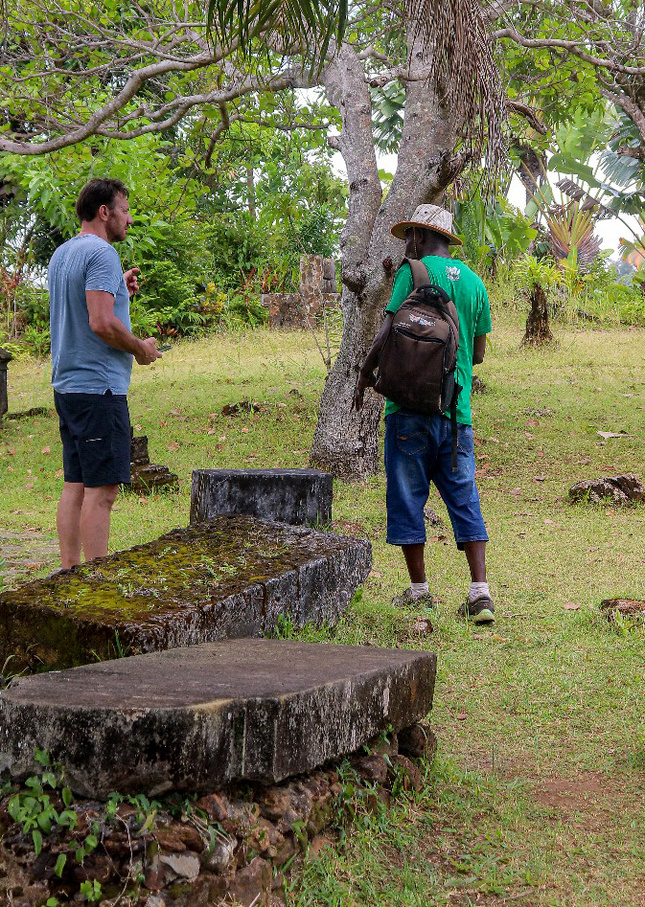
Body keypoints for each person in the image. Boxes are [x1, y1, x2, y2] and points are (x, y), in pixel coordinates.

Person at [353, 204, 494, 624]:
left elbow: (387, 330)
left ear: (417, 236)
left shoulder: (411, 273)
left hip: (406, 409)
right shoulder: (473, 282)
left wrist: (364, 376)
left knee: (408, 496)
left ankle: (419, 591)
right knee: (464, 495)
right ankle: (480, 593)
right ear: (448, 240)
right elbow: (480, 354)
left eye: (408, 238)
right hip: (455, 413)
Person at [48, 178, 162, 569]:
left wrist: (119, 289)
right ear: (104, 212)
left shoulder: (62, 254)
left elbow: (87, 308)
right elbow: (100, 323)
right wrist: (141, 349)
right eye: (125, 210)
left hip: (68, 385)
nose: (129, 218)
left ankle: (69, 573)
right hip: (99, 389)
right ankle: (98, 583)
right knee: (103, 491)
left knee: (75, 485)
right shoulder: (102, 254)